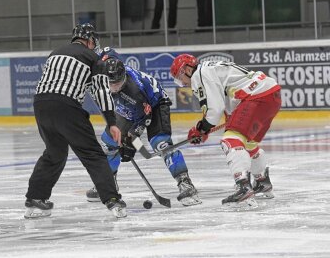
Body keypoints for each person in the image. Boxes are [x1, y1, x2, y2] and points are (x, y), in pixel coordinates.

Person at [24, 23, 127, 219]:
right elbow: (101, 92)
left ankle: (36, 198)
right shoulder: (92, 57)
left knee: (54, 153)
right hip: (66, 106)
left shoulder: (55, 53)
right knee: (94, 155)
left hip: (41, 105)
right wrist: (112, 122)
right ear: (90, 41)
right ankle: (112, 200)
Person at [86, 57, 202, 206]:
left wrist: (130, 143)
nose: (114, 87)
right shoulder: (102, 77)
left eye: (117, 83)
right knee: (110, 143)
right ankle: (108, 185)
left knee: (161, 144)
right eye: (111, 83)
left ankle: (185, 183)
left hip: (155, 104)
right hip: (130, 108)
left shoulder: (134, 91)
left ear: (123, 78)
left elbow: (145, 118)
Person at [170, 54, 281, 208]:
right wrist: (205, 128)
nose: (182, 83)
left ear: (188, 69)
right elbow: (227, 103)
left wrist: (201, 128)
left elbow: (214, 111)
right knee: (247, 143)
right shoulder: (210, 69)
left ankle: (243, 187)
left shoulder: (198, 75)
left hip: (256, 96)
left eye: (180, 77)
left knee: (230, 140)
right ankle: (262, 182)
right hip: (271, 94)